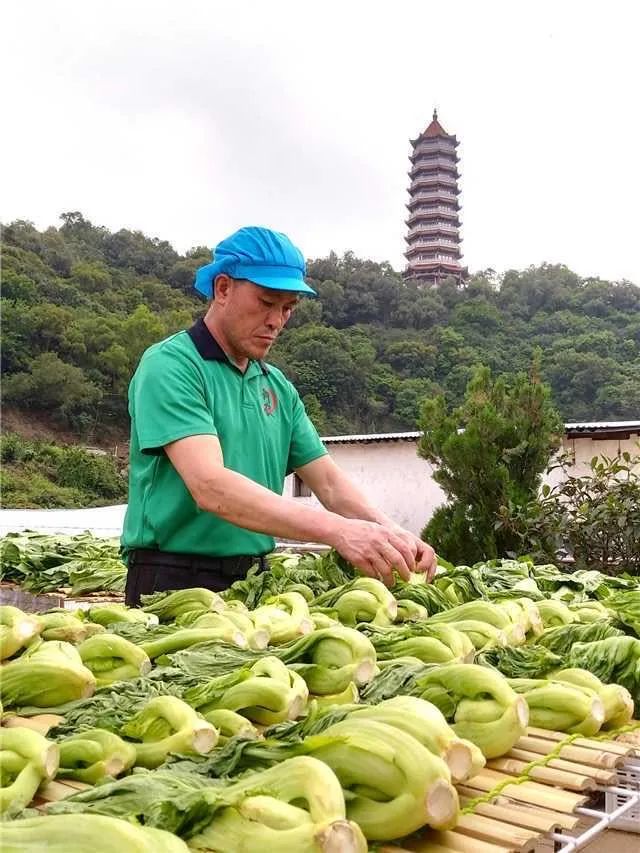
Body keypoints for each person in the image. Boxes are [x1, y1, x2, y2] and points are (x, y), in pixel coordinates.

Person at [121, 226, 436, 605]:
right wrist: (338, 531)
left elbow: (330, 485)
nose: (277, 320)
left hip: (255, 581)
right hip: (172, 579)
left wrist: (393, 534)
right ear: (222, 289)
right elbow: (210, 486)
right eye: (266, 302)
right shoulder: (172, 366)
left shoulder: (276, 387)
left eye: (288, 308)